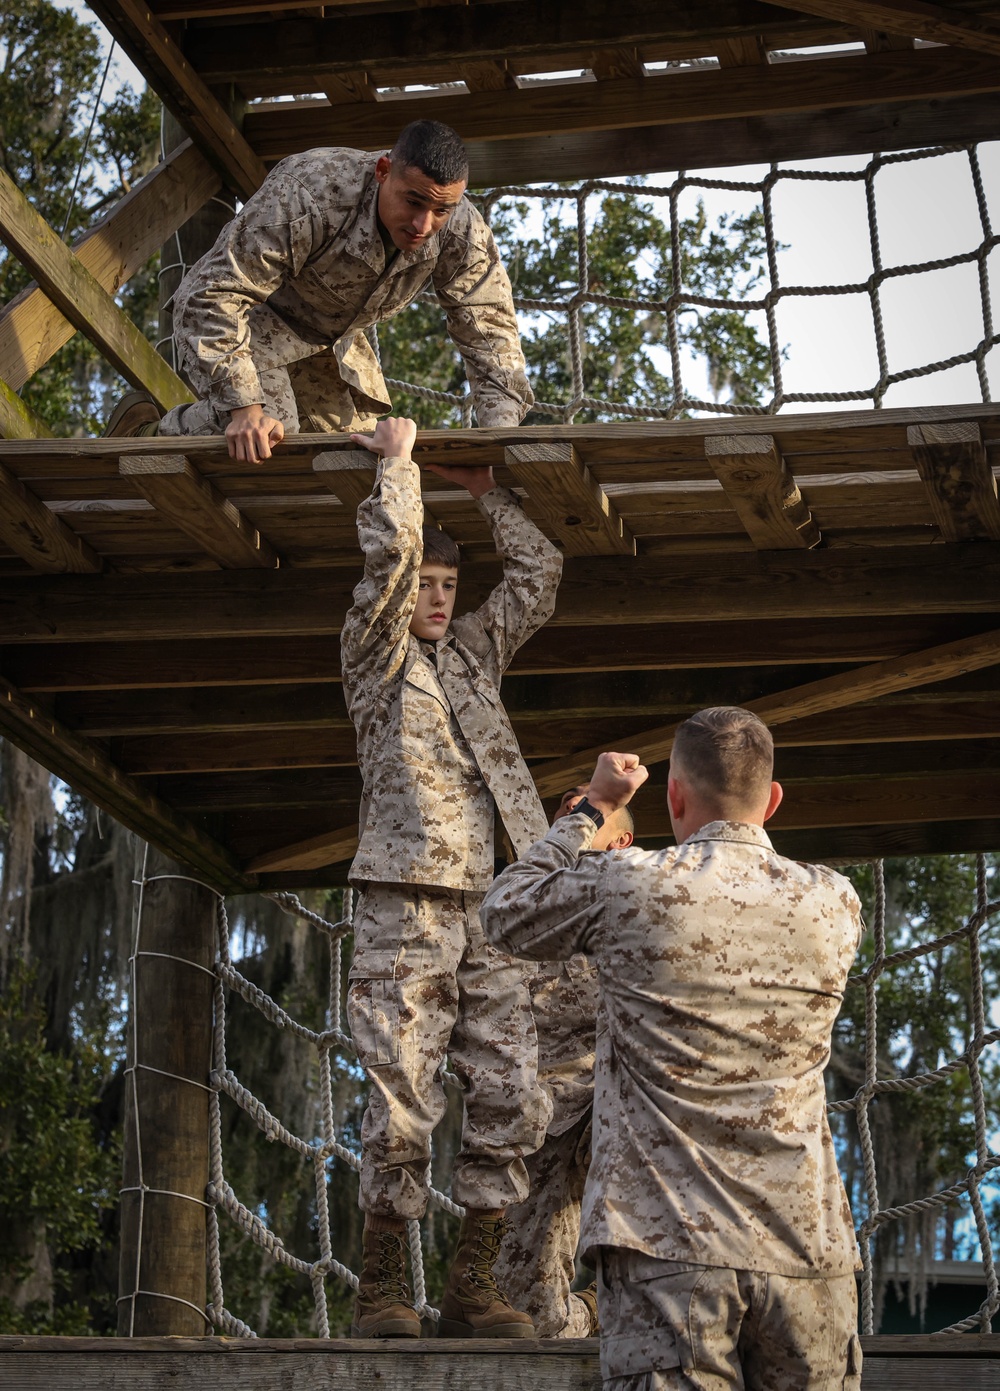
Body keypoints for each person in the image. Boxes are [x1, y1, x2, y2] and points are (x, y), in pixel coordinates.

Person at [481, 707, 865, 1389]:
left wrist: (595, 806)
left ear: (674, 795)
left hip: (668, 1250)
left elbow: (506, 909)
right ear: (773, 799)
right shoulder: (835, 900)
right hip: (809, 1249)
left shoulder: (632, 884)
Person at [341, 414, 563, 1340]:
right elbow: (388, 574)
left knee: (514, 1085)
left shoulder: (474, 657)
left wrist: (486, 492)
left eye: (447, 584)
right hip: (405, 897)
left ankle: (475, 1284)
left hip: (495, 905)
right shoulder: (376, 656)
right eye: (426, 584)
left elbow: (541, 577)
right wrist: (400, 471)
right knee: (402, 1089)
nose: (436, 597)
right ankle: (383, 1287)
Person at [107, 121, 532, 459]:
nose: (424, 225)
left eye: (441, 209)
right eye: (414, 202)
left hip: (333, 349)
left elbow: (491, 340)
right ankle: (143, 430)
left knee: (354, 458)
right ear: (383, 171)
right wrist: (243, 408)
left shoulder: (462, 233)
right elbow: (211, 294)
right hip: (253, 328)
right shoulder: (311, 190)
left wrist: (499, 441)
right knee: (271, 435)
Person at [493, 783, 634, 1339]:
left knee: (659, 1278)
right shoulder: (520, 899)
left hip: (624, 1110)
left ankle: (630, 1299)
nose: (571, 816)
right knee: (531, 1319)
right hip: (542, 1115)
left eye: (588, 812)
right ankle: (595, 1311)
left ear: (620, 840)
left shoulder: (639, 892)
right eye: (566, 809)